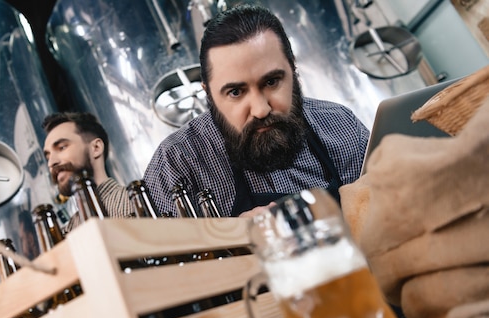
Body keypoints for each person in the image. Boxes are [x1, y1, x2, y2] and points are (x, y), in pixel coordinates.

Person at [142, 4, 370, 218]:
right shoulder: (177, 164)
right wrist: (234, 239)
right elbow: (157, 257)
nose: (261, 110)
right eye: (235, 92)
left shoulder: (341, 126)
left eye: (271, 82)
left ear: (293, 69)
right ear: (209, 95)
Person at [0, 111, 132, 294]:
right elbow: (22, 309)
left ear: (96, 148)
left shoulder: (134, 202)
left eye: (62, 147)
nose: (52, 162)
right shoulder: (65, 235)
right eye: (48, 156)